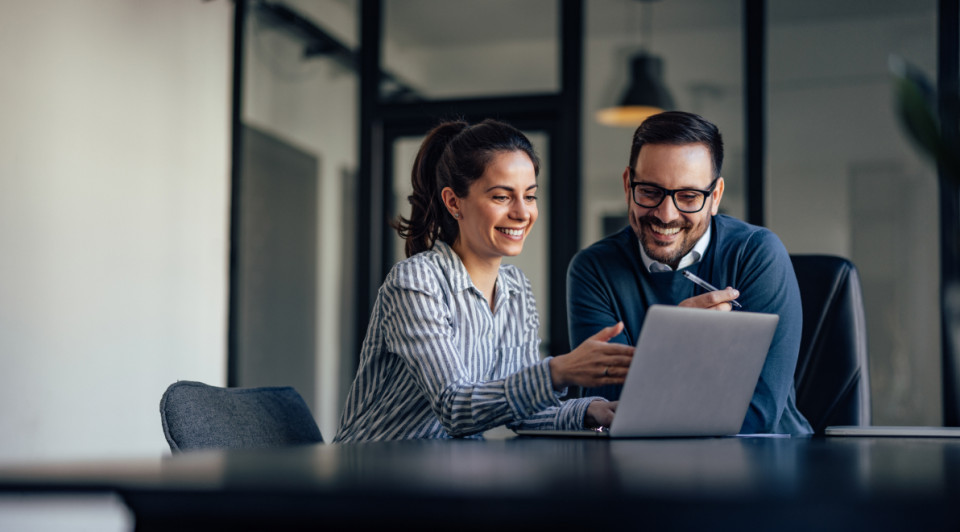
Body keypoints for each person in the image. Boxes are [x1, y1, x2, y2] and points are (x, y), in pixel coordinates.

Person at [334, 119, 635, 443]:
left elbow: (522, 409)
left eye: (530, 196)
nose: (522, 213)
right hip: (372, 475)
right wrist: (558, 371)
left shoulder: (516, 289)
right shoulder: (415, 282)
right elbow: (455, 408)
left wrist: (592, 411)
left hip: (448, 474)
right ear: (453, 202)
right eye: (502, 197)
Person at [566, 111, 812, 435]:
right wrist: (675, 343)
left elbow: (758, 411)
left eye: (689, 196)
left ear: (715, 197)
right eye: (650, 192)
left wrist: (657, 374)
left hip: (764, 462)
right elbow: (612, 409)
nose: (666, 215)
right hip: (641, 469)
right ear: (628, 185)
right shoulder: (593, 270)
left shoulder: (758, 254)